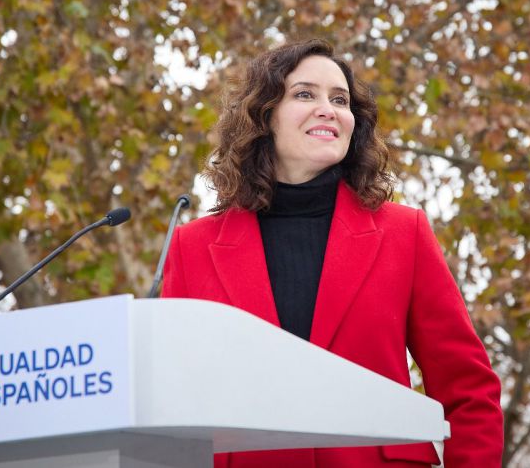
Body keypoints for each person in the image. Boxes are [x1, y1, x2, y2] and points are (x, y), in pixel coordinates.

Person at [162, 39, 503, 467]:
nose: (328, 109)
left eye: (339, 100)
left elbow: (468, 390)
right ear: (263, 117)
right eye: (305, 94)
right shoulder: (192, 247)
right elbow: (172, 402)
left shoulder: (405, 233)